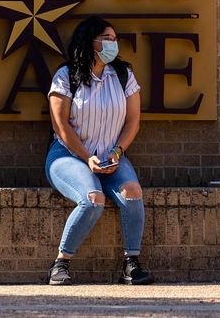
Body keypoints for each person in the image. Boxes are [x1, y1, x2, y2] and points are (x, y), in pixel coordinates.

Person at [45, 16, 155, 286]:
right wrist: (87, 158)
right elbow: (61, 126)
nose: (113, 44)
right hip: (68, 156)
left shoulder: (123, 74)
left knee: (132, 192)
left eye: (115, 39)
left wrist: (117, 152)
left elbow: (132, 121)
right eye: (107, 39)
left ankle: (131, 264)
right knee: (93, 198)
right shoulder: (66, 76)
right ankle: (60, 263)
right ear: (89, 41)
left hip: (112, 157)